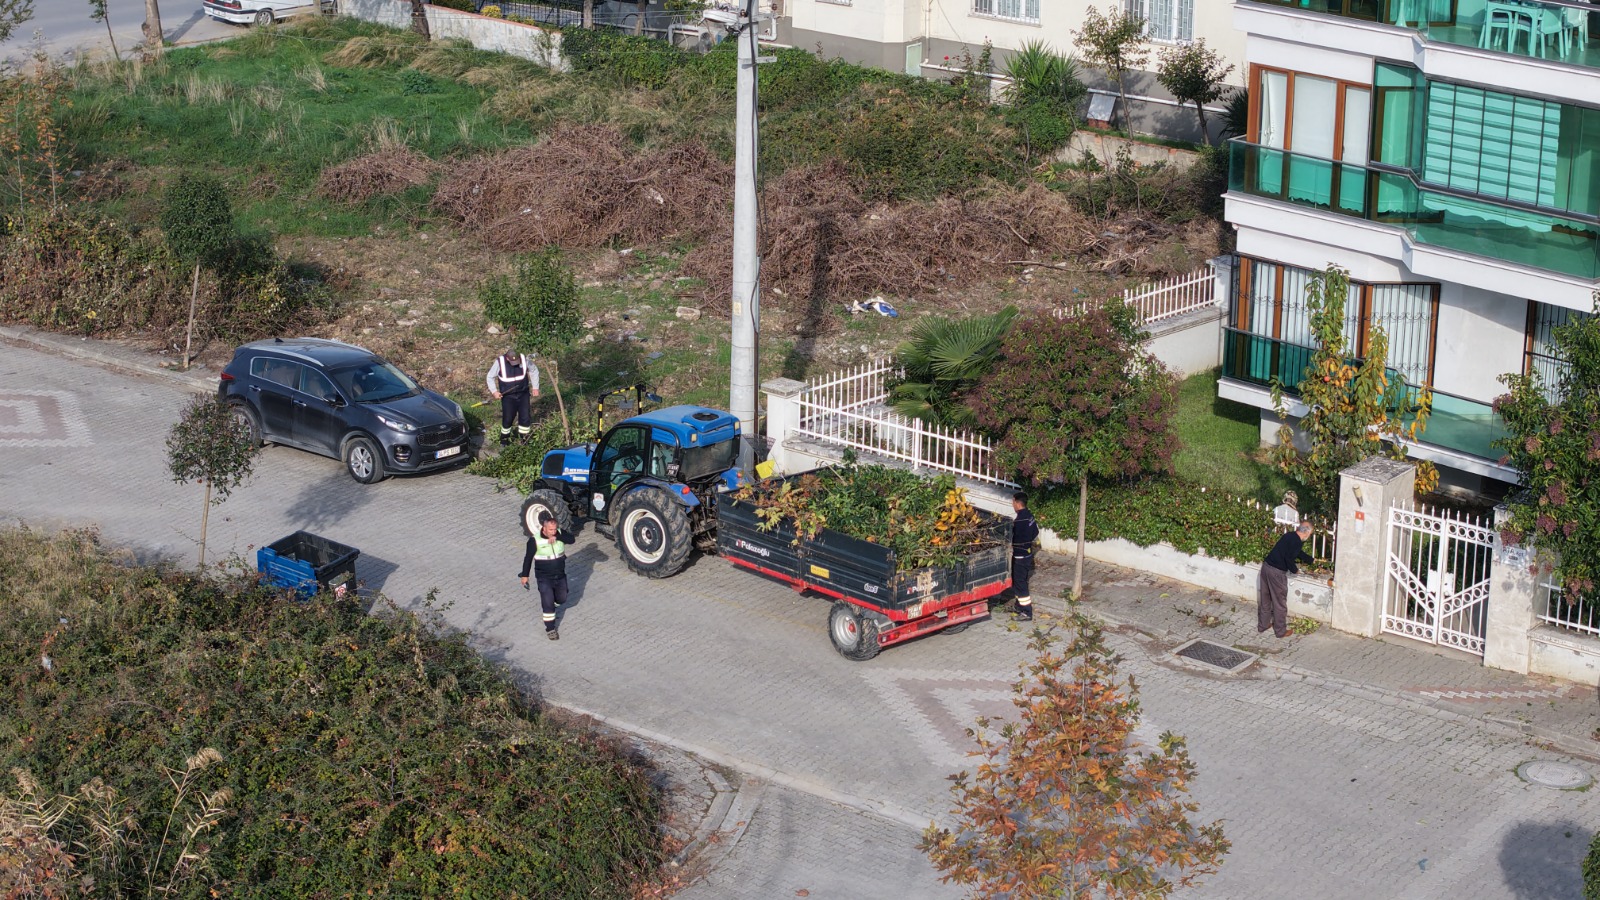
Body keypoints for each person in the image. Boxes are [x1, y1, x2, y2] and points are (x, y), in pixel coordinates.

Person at [1259, 521, 1315, 639]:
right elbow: (1288, 558)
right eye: (1310, 534)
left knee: (1265, 599)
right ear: (1306, 532)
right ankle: (1280, 631)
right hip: (1276, 573)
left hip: (1266, 568)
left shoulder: (1289, 536)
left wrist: (1310, 560)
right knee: (1280, 603)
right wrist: (1295, 570)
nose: (1309, 536)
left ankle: (1263, 625)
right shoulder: (1297, 541)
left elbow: (1296, 552)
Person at [520, 516, 571, 641]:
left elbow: (572, 540)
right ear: (544, 528)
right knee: (547, 602)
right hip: (544, 577)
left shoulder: (559, 534)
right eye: (550, 530)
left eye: (555, 529)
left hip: (560, 575)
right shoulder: (534, 540)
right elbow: (528, 558)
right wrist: (525, 575)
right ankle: (550, 629)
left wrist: (558, 537)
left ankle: (553, 604)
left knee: (563, 598)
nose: (553, 531)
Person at [485, 349, 539, 444]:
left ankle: (524, 440)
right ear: (507, 358)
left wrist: (535, 387)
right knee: (508, 418)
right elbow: (490, 377)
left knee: (525, 418)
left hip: (523, 394)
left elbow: (534, 370)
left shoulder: (524, 359)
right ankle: (504, 440)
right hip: (508, 396)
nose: (515, 363)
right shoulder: (500, 362)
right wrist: (494, 392)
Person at [1010, 491, 1040, 621]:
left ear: (1017, 503)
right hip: (1027, 554)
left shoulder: (1019, 521)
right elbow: (1035, 532)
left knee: (1021, 583)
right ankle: (1019, 606)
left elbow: (1014, 539)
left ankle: (1027, 612)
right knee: (1019, 582)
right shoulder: (1029, 516)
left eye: (1013, 502)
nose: (1012, 505)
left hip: (1020, 557)